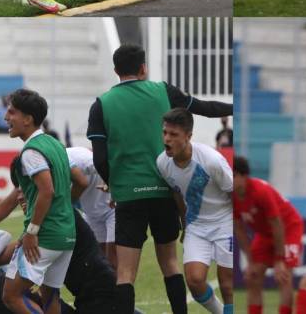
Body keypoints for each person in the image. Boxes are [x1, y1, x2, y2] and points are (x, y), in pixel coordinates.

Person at [85, 43, 234, 314]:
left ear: (116, 70)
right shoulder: (163, 91)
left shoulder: (101, 104)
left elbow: (99, 159)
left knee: (125, 273)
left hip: (129, 196)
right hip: (164, 192)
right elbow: (205, 107)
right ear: (144, 68)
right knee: (170, 264)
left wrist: (114, 185)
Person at [2, 88, 77, 314]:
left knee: (11, 295)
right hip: (67, 235)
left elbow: (47, 191)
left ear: (28, 119)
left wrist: (32, 231)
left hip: (45, 236)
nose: (6, 117)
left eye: (12, 112)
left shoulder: (30, 152)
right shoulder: (55, 144)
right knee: (50, 297)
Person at [156, 108, 234, 314]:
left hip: (225, 221)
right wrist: (185, 225)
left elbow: (235, 193)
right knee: (194, 280)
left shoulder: (212, 161)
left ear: (189, 136)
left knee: (227, 285)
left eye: (173, 135)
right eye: (165, 133)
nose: (167, 139)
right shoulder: (162, 163)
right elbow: (177, 194)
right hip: (196, 225)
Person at [233, 155, 303, 314]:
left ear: (243, 176)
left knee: (283, 277)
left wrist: (279, 260)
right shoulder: (231, 197)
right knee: (253, 277)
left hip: (289, 227)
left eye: (233, 175)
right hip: (265, 234)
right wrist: (250, 261)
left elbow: (277, 224)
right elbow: (239, 229)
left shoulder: (260, 191)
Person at [66, 143, 117, 267]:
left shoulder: (81, 159)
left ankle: (118, 287)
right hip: (90, 213)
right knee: (99, 263)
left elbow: (110, 165)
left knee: (113, 260)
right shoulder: (45, 169)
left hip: (112, 208)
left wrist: (111, 184)